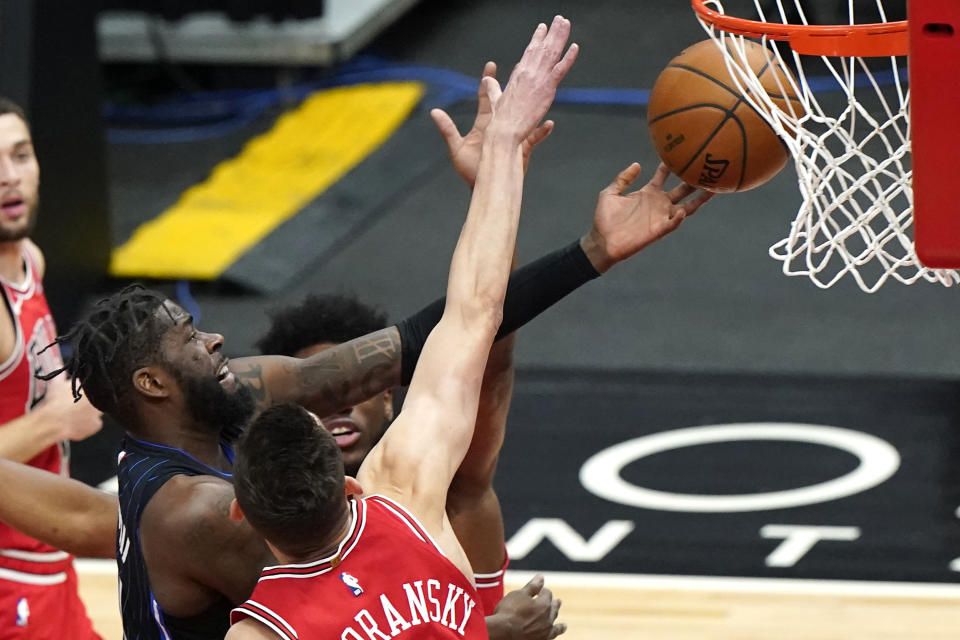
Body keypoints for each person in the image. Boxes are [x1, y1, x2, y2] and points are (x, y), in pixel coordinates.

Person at [227, 16, 707, 638]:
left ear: (241, 513)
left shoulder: (262, 632)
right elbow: (475, 313)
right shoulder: (405, 492)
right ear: (350, 488)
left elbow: (482, 328)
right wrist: (505, 146)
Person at [0, 97, 104, 639]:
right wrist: (53, 421)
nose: (8, 178)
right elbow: (52, 412)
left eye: (20, 156)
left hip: (45, 549)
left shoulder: (28, 260)